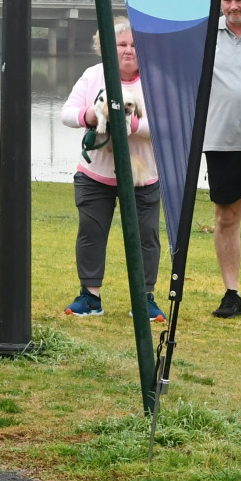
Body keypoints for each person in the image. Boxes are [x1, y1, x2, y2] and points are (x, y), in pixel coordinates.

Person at [59, 19, 161, 320]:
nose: (128, 51)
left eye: (134, 45)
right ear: (106, 48)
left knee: (146, 237)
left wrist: (130, 124)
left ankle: (145, 299)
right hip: (96, 176)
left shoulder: (155, 79)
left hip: (143, 177)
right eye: (121, 45)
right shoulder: (93, 75)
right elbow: (66, 113)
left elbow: (166, 126)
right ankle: (90, 298)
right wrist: (89, 114)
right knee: (91, 233)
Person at [206, 0, 241, 318]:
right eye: (227, 1)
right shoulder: (207, 36)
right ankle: (231, 293)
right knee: (227, 216)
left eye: (240, 0)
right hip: (221, 139)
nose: (233, 6)